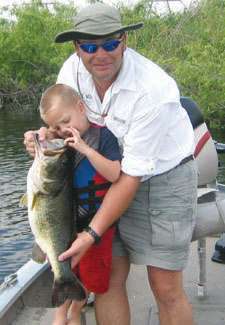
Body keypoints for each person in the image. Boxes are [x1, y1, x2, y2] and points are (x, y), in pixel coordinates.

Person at [24, 3, 198, 325]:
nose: (100, 53)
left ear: (124, 42)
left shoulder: (152, 90)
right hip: (101, 176)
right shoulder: (71, 72)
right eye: (89, 45)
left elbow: (130, 177)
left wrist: (90, 233)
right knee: (107, 282)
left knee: (165, 287)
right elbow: (59, 124)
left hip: (162, 178)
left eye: (110, 43)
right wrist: (42, 137)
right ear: (77, 48)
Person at [38, 83, 121, 325]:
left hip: (98, 227)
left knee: (92, 277)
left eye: (66, 121)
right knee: (65, 268)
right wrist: (41, 136)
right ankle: (61, 315)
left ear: (81, 107)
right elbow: (43, 149)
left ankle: (76, 310)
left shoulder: (103, 136)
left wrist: (85, 148)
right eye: (56, 127)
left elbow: (115, 173)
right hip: (66, 223)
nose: (63, 130)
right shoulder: (60, 143)